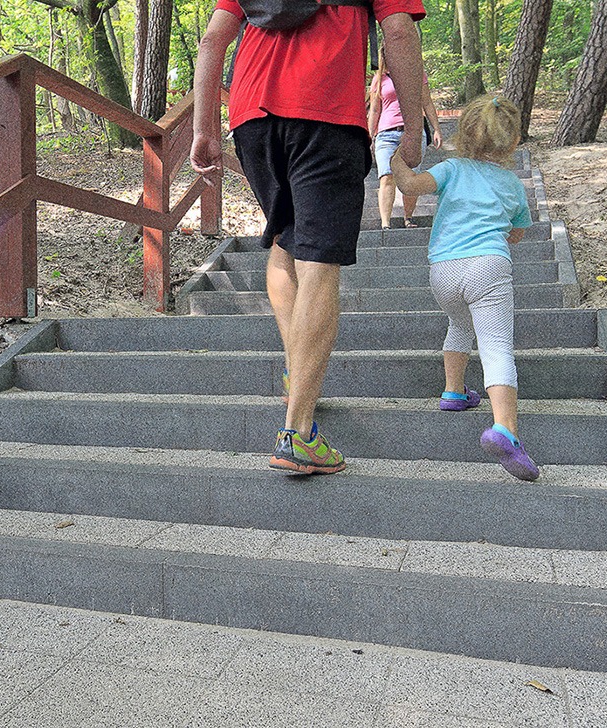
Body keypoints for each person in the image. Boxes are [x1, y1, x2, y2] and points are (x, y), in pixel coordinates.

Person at [190, 0, 427, 475]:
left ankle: (296, 370)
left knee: (285, 240)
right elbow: (399, 33)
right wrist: (412, 127)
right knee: (318, 260)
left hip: (252, 118)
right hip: (326, 113)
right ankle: (298, 435)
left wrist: (203, 128)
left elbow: (213, 39)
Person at [389, 94, 539, 482]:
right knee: (496, 345)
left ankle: (454, 391)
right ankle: (505, 429)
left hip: (443, 270)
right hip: (488, 265)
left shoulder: (452, 169)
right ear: (513, 140)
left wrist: (396, 157)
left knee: (459, 324)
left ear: (465, 134)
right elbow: (517, 234)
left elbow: (410, 185)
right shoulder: (512, 184)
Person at [368, 44, 442, 229]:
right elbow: (375, 109)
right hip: (386, 133)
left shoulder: (417, 73)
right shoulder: (379, 78)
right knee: (386, 177)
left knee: (411, 178)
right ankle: (385, 224)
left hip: (413, 132)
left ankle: (408, 218)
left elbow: (427, 102)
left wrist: (436, 129)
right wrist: (369, 136)